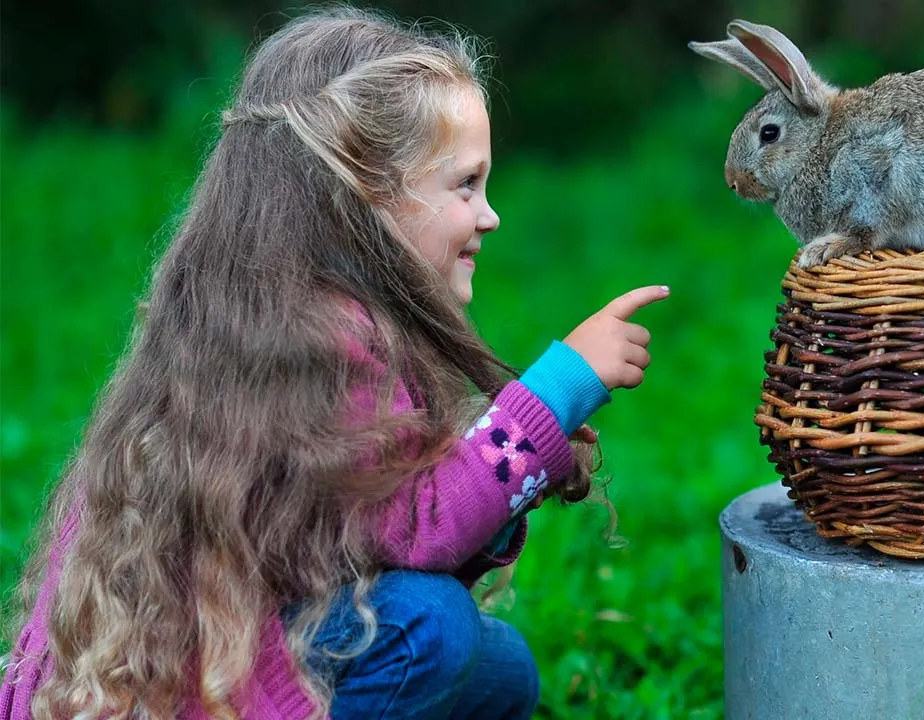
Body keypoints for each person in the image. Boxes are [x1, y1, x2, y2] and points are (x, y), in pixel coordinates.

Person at [0, 6, 667, 719]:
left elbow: (376, 544)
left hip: (234, 661)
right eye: (465, 185)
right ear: (366, 191)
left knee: (500, 670)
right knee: (428, 627)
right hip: (194, 694)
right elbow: (423, 528)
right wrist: (558, 391)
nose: (489, 214)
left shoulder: (283, 315)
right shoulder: (314, 337)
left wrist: (519, 468)